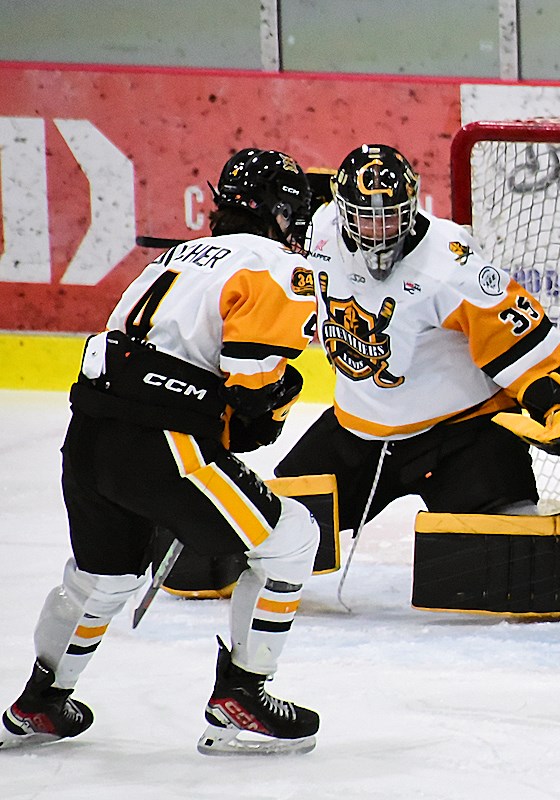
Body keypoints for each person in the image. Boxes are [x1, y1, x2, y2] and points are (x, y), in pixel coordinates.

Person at [0, 149, 323, 755]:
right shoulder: (276, 264)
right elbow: (251, 383)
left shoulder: (172, 258)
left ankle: (41, 701)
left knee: (103, 578)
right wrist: (277, 395)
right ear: (280, 213)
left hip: (89, 436)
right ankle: (242, 698)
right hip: (165, 446)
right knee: (293, 540)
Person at [273, 143, 560, 535]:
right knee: (264, 535)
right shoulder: (320, 225)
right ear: (343, 211)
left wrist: (557, 412)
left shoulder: (449, 266)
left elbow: (523, 345)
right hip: (356, 433)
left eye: (391, 218)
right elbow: (295, 197)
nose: (380, 232)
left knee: (502, 570)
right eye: (367, 220)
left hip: (462, 438)